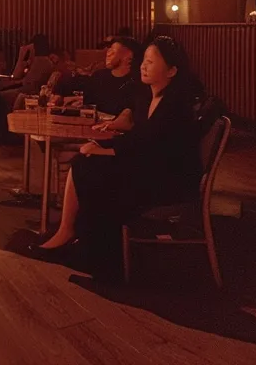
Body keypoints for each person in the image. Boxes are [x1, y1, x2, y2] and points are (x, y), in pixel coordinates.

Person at [33, 36, 206, 282]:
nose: (143, 66)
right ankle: (80, 240)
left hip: (168, 183)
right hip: (153, 171)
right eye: (143, 60)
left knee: (92, 169)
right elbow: (140, 139)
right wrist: (103, 145)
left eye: (150, 62)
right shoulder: (151, 97)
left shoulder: (175, 105)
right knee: (87, 164)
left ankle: (98, 256)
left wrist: (104, 150)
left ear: (172, 70)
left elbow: (152, 147)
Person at [65, 36, 144, 116]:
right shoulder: (99, 76)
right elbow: (89, 107)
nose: (107, 54)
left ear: (129, 56)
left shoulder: (137, 82)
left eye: (113, 51)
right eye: (108, 51)